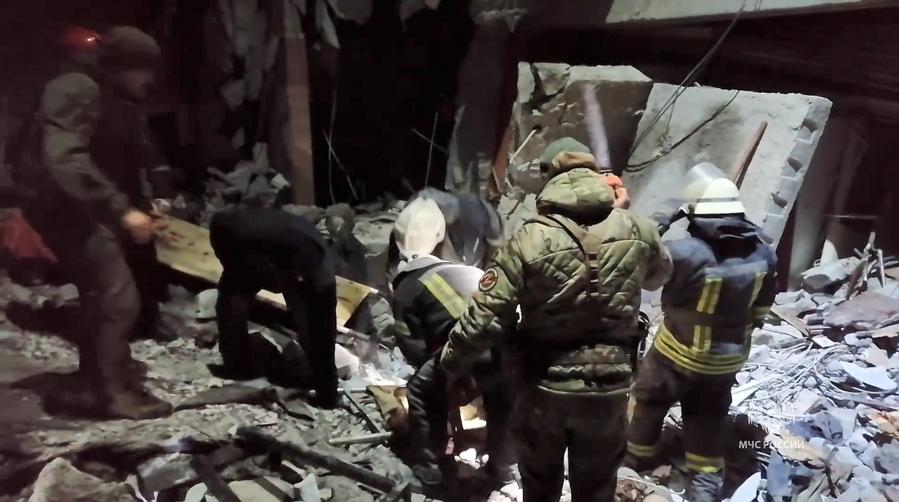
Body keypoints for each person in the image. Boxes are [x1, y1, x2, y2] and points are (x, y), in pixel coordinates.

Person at [440, 137, 672, 502]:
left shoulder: (529, 238)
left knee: (540, 483)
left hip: (544, 389)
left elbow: (484, 316)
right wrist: (623, 220)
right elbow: (658, 276)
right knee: (596, 488)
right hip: (610, 388)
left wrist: (449, 366)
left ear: (548, 177)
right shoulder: (637, 228)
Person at [12, 26, 173, 419]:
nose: (150, 79)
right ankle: (111, 394)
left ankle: (95, 381)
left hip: (77, 203)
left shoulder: (113, 97)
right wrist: (120, 209)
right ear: (122, 65)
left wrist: (146, 198)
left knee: (101, 293)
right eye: (144, 69)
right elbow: (66, 159)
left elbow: (129, 153)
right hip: (63, 205)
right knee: (117, 298)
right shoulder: (77, 88)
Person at [625, 162, 777, 502]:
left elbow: (639, 265)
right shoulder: (764, 253)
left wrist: (663, 219)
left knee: (649, 398)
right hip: (726, 361)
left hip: (676, 353)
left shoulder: (684, 253)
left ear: (696, 215)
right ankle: (705, 488)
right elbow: (763, 306)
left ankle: (636, 458)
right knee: (707, 420)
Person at [389, 197, 513, 493]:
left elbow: (415, 349)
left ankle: (434, 469)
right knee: (500, 397)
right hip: (510, 349)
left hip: (470, 352)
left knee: (420, 389)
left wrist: (448, 387)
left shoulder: (406, 287)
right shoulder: (466, 272)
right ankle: (503, 467)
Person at [209, 208, 340, 408]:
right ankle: (238, 365)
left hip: (293, 254)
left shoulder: (312, 263)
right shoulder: (234, 235)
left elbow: (320, 324)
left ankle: (326, 390)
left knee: (318, 327)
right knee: (231, 298)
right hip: (260, 248)